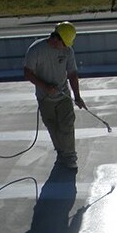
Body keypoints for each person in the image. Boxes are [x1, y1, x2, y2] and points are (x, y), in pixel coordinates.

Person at [24, 21, 86, 169]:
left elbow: (72, 73)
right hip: (45, 99)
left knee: (67, 125)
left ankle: (70, 156)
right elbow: (27, 72)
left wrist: (77, 96)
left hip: (63, 96)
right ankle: (61, 152)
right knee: (53, 128)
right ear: (56, 38)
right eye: (63, 43)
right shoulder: (36, 50)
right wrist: (45, 86)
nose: (65, 47)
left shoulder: (67, 51)